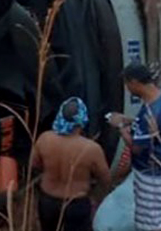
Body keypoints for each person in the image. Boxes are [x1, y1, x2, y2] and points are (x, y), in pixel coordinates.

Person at [108, 62, 161, 231]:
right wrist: (130, 120)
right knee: (155, 214)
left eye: (126, 83)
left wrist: (120, 126)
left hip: (153, 173)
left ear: (134, 82)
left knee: (151, 222)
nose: (126, 88)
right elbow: (157, 130)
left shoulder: (152, 113)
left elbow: (136, 148)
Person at [32, 97, 112, 231]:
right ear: (82, 120)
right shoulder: (91, 148)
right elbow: (106, 179)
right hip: (76, 205)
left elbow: (34, 165)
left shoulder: (44, 139)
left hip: (48, 201)